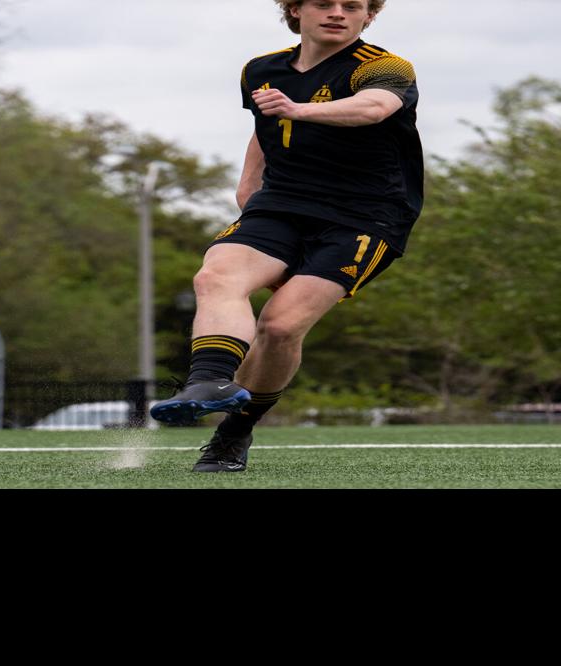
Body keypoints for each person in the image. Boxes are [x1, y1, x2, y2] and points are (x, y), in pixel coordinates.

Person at [150, 0, 423, 472]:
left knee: (279, 327)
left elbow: (374, 108)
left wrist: (298, 109)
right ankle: (210, 381)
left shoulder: (384, 66)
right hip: (282, 204)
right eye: (323, 3)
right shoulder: (260, 69)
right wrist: (248, 186)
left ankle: (234, 434)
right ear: (296, 11)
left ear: (368, 17)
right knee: (216, 277)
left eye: (352, 5)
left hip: (365, 216)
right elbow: (265, 126)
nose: (337, 12)